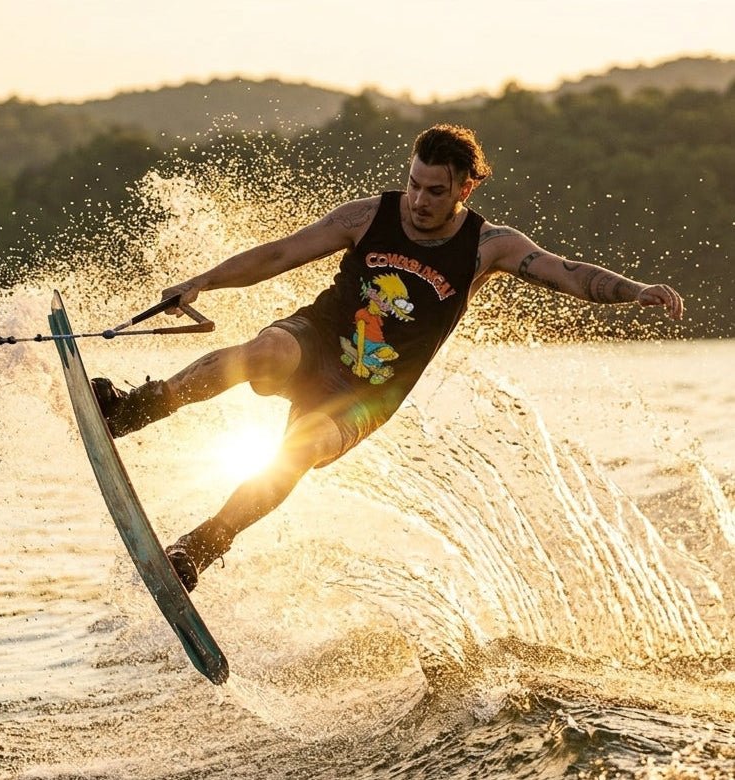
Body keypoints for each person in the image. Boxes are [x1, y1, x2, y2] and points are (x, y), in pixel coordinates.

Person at [92, 123, 684, 592]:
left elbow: (568, 274)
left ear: (464, 189)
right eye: (414, 184)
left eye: (435, 190)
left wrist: (635, 292)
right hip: (320, 336)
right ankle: (132, 408)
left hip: (371, 391)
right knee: (266, 352)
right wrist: (201, 282)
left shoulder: (488, 247)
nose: (419, 201)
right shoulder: (369, 216)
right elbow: (278, 254)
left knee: (302, 450)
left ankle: (199, 549)